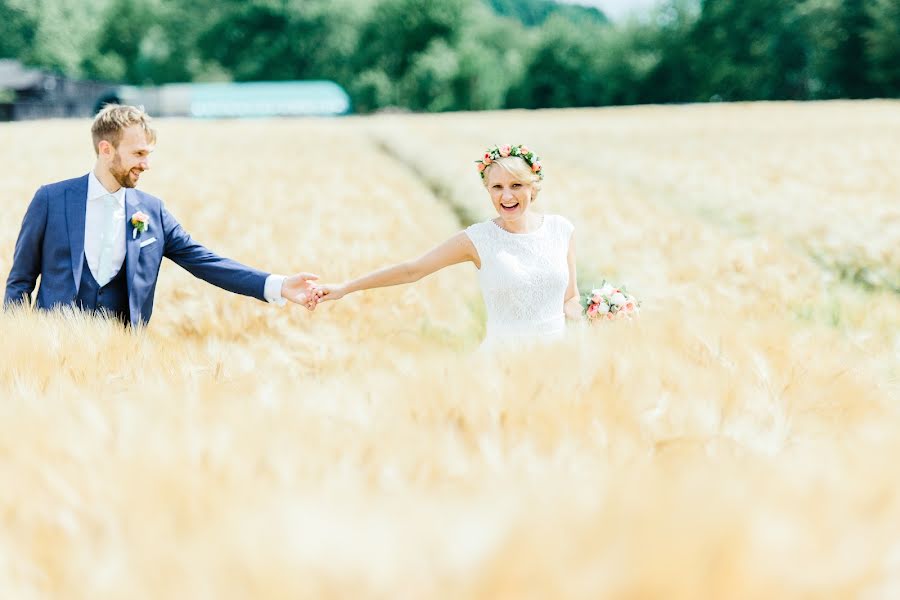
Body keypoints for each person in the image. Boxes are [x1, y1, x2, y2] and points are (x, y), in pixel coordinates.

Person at [3, 104, 319, 327]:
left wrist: (276, 285)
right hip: (52, 357)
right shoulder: (51, 199)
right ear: (106, 149)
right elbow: (20, 282)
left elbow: (205, 262)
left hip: (121, 361)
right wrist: (18, 346)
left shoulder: (152, 211)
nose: (146, 164)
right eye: (138, 154)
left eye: (148, 154)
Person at [314, 144, 582, 345]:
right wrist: (345, 288)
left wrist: (602, 314)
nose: (507, 195)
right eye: (497, 187)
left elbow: (570, 299)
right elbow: (413, 270)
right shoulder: (478, 239)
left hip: (557, 361)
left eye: (516, 185)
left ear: (533, 187)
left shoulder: (561, 229)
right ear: (488, 190)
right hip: (504, 362)